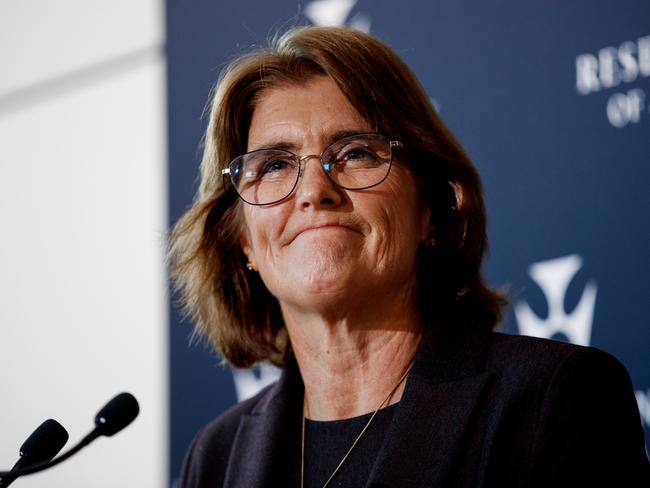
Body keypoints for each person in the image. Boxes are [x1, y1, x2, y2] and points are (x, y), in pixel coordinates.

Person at [169, 26, 649, 487]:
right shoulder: (215, 457)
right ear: (245, 241)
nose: (314, 191)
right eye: (273, 165)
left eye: (355, 152)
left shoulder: (554, 401)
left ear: (432, 209)